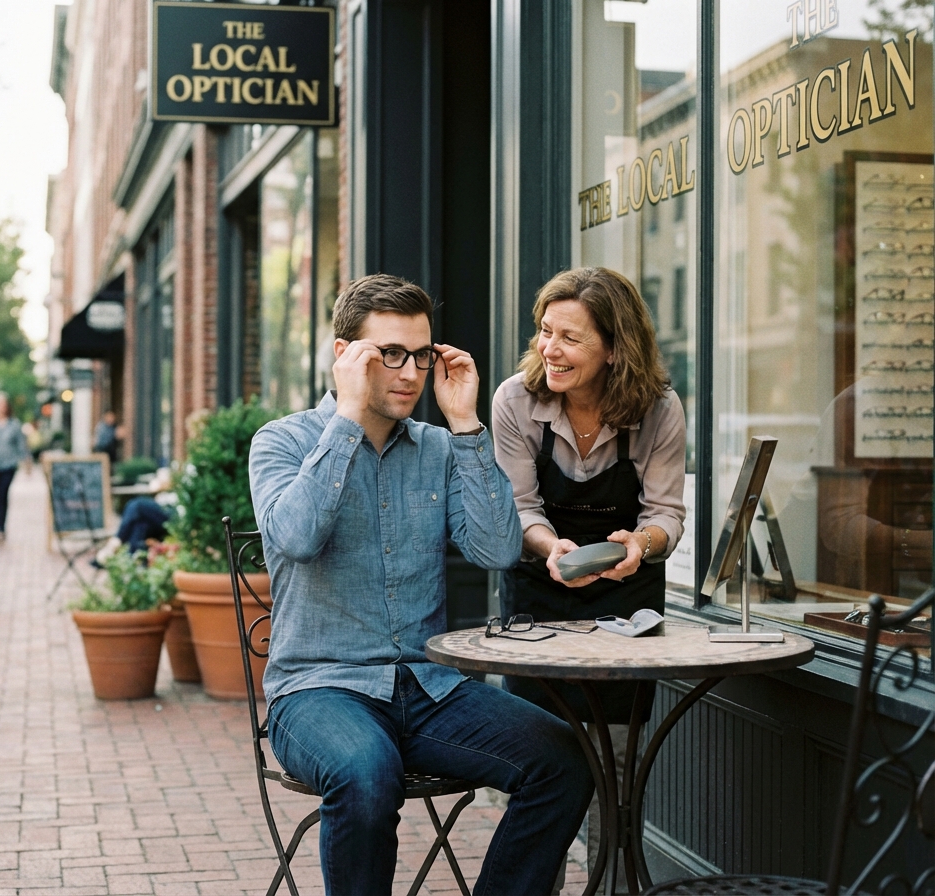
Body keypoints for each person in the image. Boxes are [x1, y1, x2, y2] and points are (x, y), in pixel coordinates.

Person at [249, 274, 593, 896]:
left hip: (429, 690)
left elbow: (495, 549)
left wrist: (465, 424)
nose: (408, 372)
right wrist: (350, 419)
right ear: (343, 356)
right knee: (366, 771)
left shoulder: (438, 447)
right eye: (389, 354)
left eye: (420, 354)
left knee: (564, 759)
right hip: (318, 691)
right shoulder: (283, 441)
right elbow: (295, 537)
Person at [491, 266, 686, 888]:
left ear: (613, 347)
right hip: (538, 611)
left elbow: (665, 516)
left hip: (625, 613)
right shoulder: (515, 402)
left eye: (570, 338)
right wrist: (553, 548)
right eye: (546, 332)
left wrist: (640, 544)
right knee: (539, 773)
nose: (551, 349)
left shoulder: (658, 410)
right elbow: (520, 509)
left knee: (616, 779)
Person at [0, 392, 27, 543]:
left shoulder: (14, 424)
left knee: (2, 495)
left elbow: (21, 444)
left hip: (8, 465)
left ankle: (1, 528)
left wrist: (26, 460)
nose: (0, 407)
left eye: (3, 404)